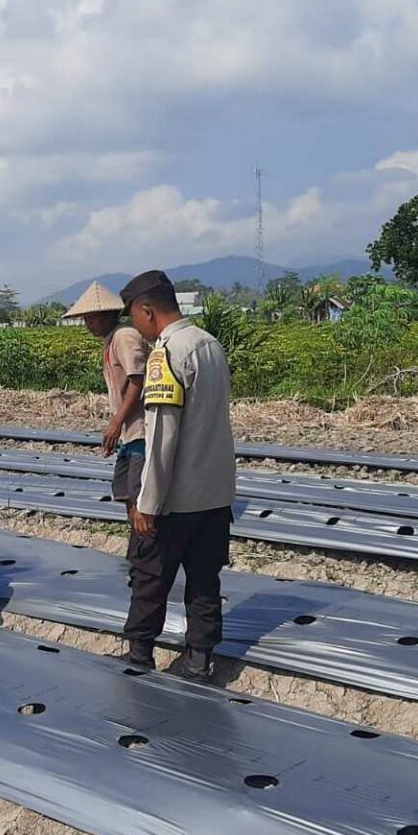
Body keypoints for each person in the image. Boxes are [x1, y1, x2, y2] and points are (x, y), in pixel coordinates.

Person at [118, 269, 236, 682]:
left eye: (134, 315)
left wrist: (147, 504)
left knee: (149, 575)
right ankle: (199, 660)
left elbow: (162, 438)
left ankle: (139, 655)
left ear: (147, 310)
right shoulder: (211, 346)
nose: (135, 325)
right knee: (204, 580)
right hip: (216, 494)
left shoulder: (166, 354)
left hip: (177, 499)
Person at [62, 282, 149, 516]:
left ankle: (144, 545)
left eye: (91, 318)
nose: (88, 324)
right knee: (126, 494)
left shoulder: (124, 336)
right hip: (128, 432)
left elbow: (138, 380)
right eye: (85, 319)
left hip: (140, 428)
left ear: (109, 314)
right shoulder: (112, 340)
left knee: (140, 498)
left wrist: (116, 422)